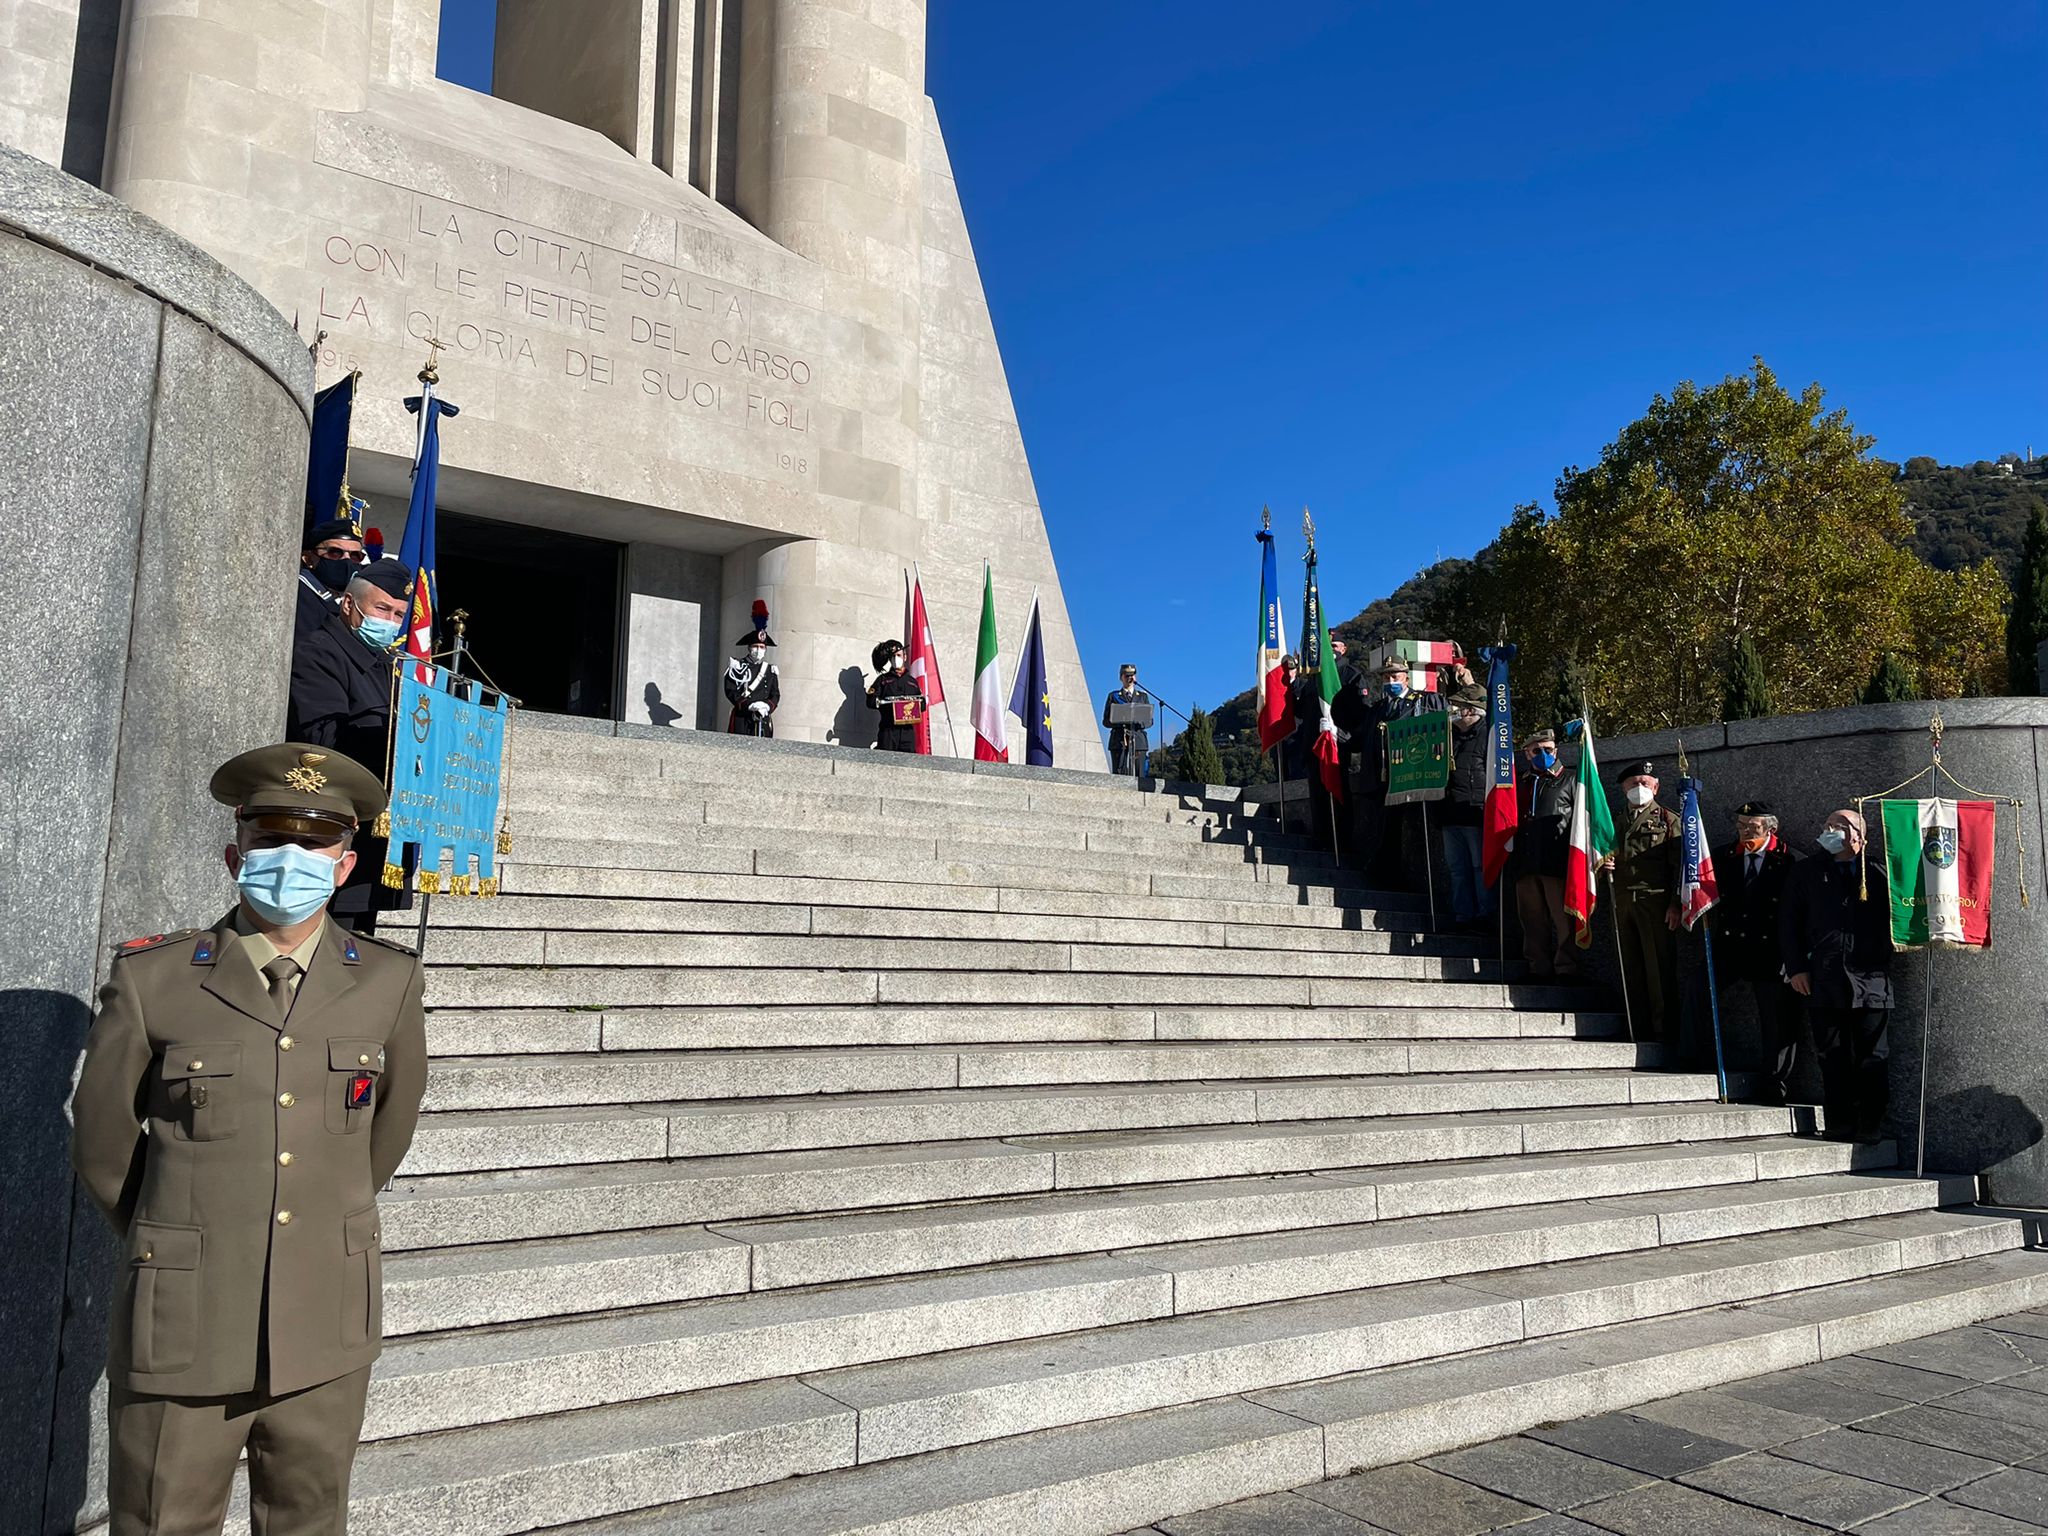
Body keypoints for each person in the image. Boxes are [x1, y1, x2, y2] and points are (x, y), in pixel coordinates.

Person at [69, 742, 427, 1535]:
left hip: (324, 1319)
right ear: (237, 854)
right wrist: (173, 1238)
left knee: (309, 1521)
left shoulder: (389, 982)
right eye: (271, 841)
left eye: (314, 844)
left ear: (344, 866)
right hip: (185, 1319)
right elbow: (103, 1145)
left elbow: (384, 1134)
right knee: (162, 1521)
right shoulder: (153, 979)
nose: (290, 860)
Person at [289, 557, 414, 932]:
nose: (390, 622)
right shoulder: (319, 652)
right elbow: (322, 742)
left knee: (357, 943)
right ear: (348, 604)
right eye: (382, 609)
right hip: (333, 830)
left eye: (398, 614)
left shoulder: (383, 662)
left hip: (374, 833)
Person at [1779, 808, 1893, 1142]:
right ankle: (1839, 1121)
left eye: (1840, 826)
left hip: (1870, 977)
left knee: (1874, 1054)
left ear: (1860, 836)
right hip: (1823, 977)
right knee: (1832, 1054)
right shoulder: (1807, 872)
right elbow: (1789, 923)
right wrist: (1797, 967)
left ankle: (1872, 1123)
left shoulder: (1878, 871)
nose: (1831, 829)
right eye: (1827, 824)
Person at [1712, 801, 1804, 1105]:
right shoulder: (1725, 856)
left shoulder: (1791, 860)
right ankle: (1695, 1056)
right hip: (1732, 944)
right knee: (1698, 989)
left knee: (1777, 1019)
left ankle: (1774, 1082)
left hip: (1771, 950)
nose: (1744, 831)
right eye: (1740, 825)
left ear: (1770, 828)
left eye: (1751, 827)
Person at [1604, 760, 1682, 1054]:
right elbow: (1605, 856)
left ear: (1656, 787)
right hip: (1623, 901)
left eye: (1645, 784)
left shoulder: (1668, 820)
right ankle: (1637, 1027)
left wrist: (1676, 903)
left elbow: (1680, 868)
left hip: (1656, 900)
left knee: (1658, 968)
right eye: (1633, 784)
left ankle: (1663, 1031)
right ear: (1623, 788)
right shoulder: (1615, 821)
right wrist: (1604, 864)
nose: (1639, 788)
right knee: (1630, 967)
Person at [1347, 655, 1443, 887]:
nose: (1391, 680)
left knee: (1410, 832)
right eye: (1386, 677)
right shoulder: (1378, 709)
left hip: (1410, 777)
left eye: (1395, 676)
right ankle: (1384, 872)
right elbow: (1361, 740)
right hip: (1382, 780)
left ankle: (1400, 876)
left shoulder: (1424, 702)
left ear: (1406, 678)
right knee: (1384, 829)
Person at [1509, 726, 1581, 980]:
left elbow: (1583, 822)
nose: (1543, 754)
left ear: (1557, 750)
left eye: (1548, 750)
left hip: (1557, 862)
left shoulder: (1572, 779)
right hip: (1526, 862)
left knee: (1564, 920)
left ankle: (1566, 968)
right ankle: (1537, 967)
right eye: (1536, 751)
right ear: (1527, 754)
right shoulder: (1520, 782)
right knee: (1531, 919)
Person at [1439, 684, 1495, 930]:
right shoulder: (1448, 735)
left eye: (1461, 707)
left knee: (1479, 868)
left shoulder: (1488, 736)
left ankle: (1486, 914)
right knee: (1457, 870)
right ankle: (1462, 914)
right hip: (1449, 812)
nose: (1456, 711)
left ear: (1474, 710)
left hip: (1475, 812)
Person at [297, 516, 365, 643]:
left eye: (355, 556)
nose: (347, 560)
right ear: (309, 558)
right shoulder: (297, 595)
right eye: (335, 553)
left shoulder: (352, 600)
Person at [724, 599, 780, 736]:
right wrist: (749, 705)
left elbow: (775, 694)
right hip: (742, 718)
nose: (758, 650)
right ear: (749, 648)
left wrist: (767, 706)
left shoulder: (770, 670)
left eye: (762, 647)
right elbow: (730, 691)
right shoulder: (737, 666)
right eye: (755, 646)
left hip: (763, 717)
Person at [867, 638, 925, 753]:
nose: (896, 659)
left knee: (908, 763)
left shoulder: (912, 682)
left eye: (898, 655)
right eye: (893, 657)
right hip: (888, 729)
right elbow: (870, 702)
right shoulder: (882, 680)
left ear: (905, 657)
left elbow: (922, 704)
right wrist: (887, 704)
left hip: (907, 731)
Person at [1102, 664, 1152, 779]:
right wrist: (1119, 720)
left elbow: (1149, 721)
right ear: (1121, 677)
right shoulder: (1113, 696)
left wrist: (1139, 721)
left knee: (1140, 774)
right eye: (1127, 675)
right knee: (1119, 774)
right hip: (1119, 739)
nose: (1130, 678)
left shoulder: (1142, 697)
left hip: (1138, 739)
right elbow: (1105, 721)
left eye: (1132, 675)